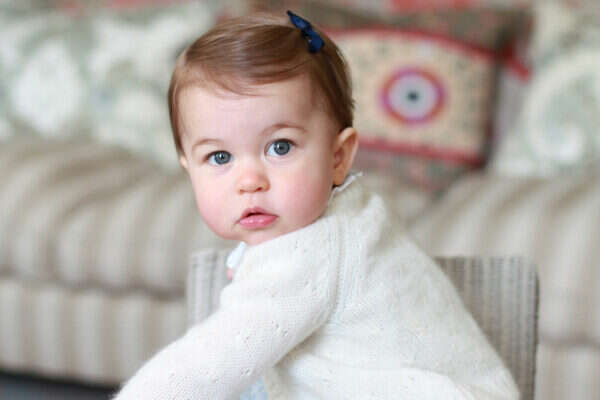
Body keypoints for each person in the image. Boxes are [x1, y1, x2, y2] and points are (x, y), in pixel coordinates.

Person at [114, 11, 519, 400]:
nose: (249, 181)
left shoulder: (313, 251)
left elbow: (206, 366)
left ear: (338, 157)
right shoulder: (352, 217)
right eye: (220, 157)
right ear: (189, 168)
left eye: (280, 147)